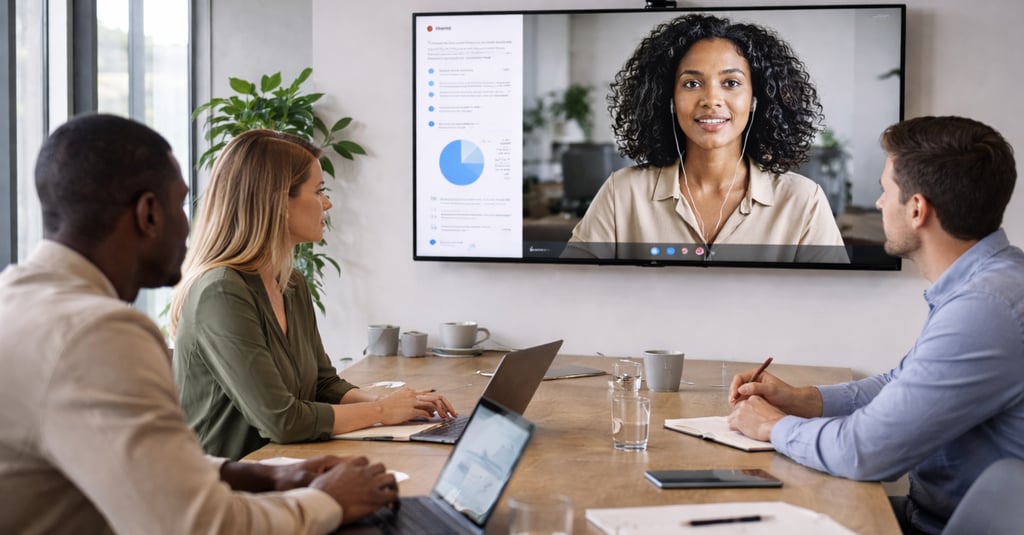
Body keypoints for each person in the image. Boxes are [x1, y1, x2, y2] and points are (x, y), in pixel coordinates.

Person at [0, 114, 399, 533]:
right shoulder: (97, 333)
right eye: (180, 204)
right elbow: (202, 526)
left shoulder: (20, 302)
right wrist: (326, 501)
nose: (190, 225)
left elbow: (143, 463)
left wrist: (266, 475)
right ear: (149, 214)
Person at [727, 116, 1023, 534]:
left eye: (886, 191)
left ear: (917, 209)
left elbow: (866, 454)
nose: (880, 204)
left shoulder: (987, 307)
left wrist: (772, 426)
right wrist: (798, 399)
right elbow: (900, 384)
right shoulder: (986, 283)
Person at [168, 129, 457, 461]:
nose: (328, 203)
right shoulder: (221, 291)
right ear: (276, 202)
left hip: (284, 468)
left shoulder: (290, 284)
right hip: (227, 489)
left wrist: (400, 405)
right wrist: (381, 411)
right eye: (319, 191)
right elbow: (282, 420)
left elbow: (322, 384)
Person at [563, 14, 847, 263]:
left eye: (731, 83)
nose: (711, 100)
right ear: (670, 99)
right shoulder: (621, 193)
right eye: (692, 83)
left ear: (755, 100)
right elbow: (569, 291)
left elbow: (832, 306)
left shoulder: (803, 201)